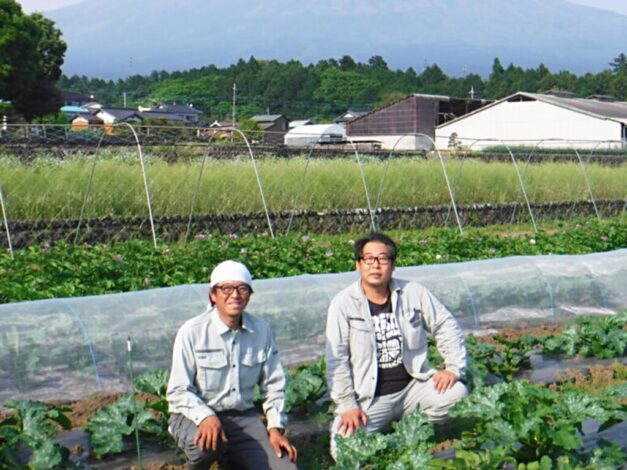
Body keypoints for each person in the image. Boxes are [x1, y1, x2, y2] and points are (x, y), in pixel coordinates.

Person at [325, 232, 468, 458]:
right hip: (370, 398)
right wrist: (346, 405)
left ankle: (409, 426)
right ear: (358, 265)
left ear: (393, 265)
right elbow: (337, 358)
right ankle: (397, 430)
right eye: (369, 259)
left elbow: (445, 324)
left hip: (412, 387)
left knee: (457, 394)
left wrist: (452, 367)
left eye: (383, 259)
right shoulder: (343, 304)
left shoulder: (414, 292)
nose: (376, 265)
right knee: (343, 449)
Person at [166, 260, 298, 470]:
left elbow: (273, 385)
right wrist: (206, 416)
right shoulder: (192, 332)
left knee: (285, 468)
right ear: (213, 294)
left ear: (249, 295)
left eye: (242, 288)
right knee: (204, 448)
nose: (235, 295)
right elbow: (178, 391)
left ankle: (232, 460)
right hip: (193, 416)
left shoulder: (261, 330)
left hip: (242, 418)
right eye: (226, 288)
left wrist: (275, 427)